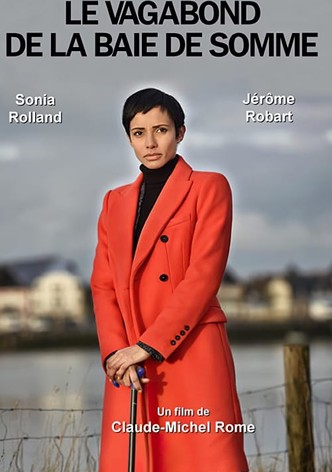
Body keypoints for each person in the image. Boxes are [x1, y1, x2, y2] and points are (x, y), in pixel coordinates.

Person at [91, 88, 249, 472]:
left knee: (208, 458)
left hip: (190, 347)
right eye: (138, 132)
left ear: (180, 132)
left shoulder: (210, 187)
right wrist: (116, 353)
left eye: (160, 130)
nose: (150, 142)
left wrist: (150, 344)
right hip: (131, 358)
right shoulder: (114, 201)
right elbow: (103, 284)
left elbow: (203, 275)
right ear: (128, 138)